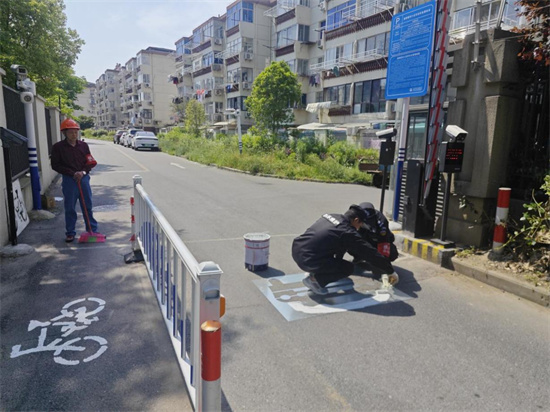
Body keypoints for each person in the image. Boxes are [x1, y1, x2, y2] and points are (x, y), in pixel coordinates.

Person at [292, 204, 398, 295]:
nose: (360, 227)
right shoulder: (347, 232)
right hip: (308, 259)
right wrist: (390, 271)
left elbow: (339, 246)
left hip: (297, 248)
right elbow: (369, 253)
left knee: (335, 254)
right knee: (347, 268)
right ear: (356, 220)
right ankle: (315, 280)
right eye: (361, 223)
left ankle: (316, 270)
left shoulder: (331, 216)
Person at [51, 119, 99, 242]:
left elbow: (90, 162)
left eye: (75, 132)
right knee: (70, 207)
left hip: (83, 179)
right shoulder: (58, 147)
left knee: (87, 205)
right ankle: (70, 232)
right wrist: (73, 173)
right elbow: (55, 165)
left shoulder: (83, 146)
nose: (74, 134)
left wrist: (83, 172)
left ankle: (92, 229)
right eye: (71, 132)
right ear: (65, 133)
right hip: (69, 180)